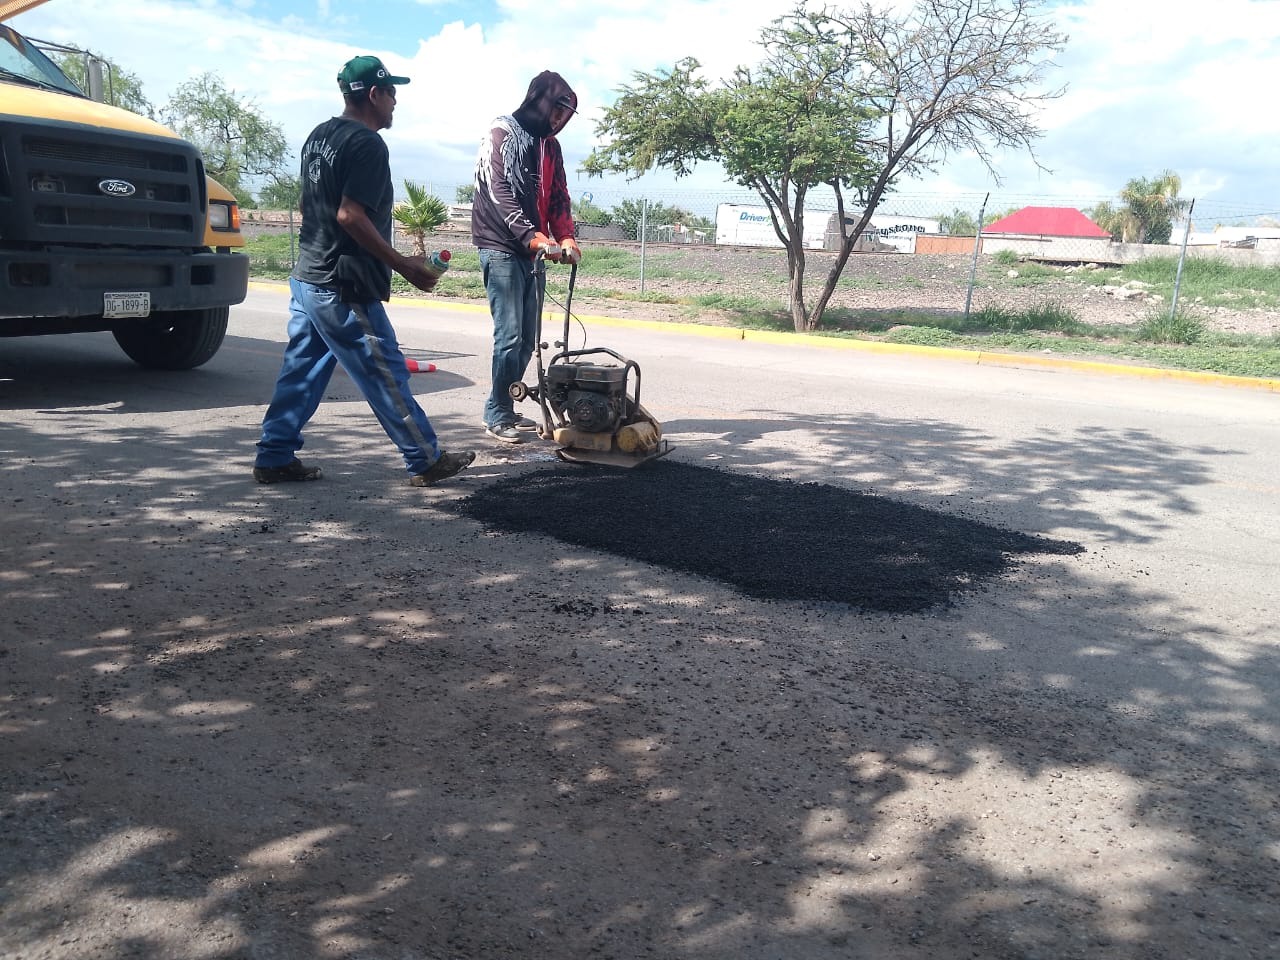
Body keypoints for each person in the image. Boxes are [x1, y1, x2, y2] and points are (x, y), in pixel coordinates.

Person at [253, 55, 474, 487]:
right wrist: (402, 263)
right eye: (391, 93)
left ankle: (275, 456)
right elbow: (350, 215)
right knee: (384, 370)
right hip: (342, 284)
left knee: (301, 372)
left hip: (308, 277)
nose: (395, 103)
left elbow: (310, 206)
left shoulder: (319, 136)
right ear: (373, 94)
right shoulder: (368, 144)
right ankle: (425, 459)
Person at [471, 71, 581, 443]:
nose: (558, 121)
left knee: (527, 339)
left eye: (564, 115)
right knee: (510, 334)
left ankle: (502, 404)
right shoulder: (501, 132)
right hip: (500, 245)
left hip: (532, 250)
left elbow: (558, 196)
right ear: (540, 101)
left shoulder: (551, 147)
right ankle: (497, 412)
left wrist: (565, 236)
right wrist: (531, 235)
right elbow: (499, 189)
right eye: (556, 111)